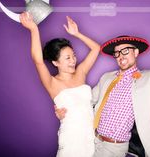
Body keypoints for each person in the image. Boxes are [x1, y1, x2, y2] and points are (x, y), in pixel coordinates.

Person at [55, 26, 150, 157]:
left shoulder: (148, 79)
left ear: (136, 52)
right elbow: (87, 101)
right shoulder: (107, 78)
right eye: (117, 53)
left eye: (125, 51)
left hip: (113, 148)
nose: (120, 56)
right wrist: (64, 111)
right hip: (90, 140)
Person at [20, 12, 100, 157]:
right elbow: (38, 60)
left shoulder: (80, 73)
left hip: (90, 138)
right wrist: (34, 29)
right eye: (67, 58)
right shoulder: (52, 83)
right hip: (71, 139)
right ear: (55, 63)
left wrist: (77, 34)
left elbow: (96, 49)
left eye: (74, 56)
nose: (73, 60)